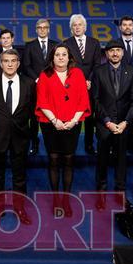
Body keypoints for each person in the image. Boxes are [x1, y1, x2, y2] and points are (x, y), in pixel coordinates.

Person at [35, 43, 90, 216]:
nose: (60, 57)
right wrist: (55, 120)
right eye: (57, 54)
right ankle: (56, 199)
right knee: (53, 159)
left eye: (63, 54)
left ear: (69, 57)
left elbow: (83, 99)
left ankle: (66, 199)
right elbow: (42, 101)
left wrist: (74, 121)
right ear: (52, 58)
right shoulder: (45, 75)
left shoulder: (78, 74)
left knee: (68, 160)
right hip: (50, 124)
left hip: (72, 124)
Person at [0, 49, 35, 225]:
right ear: (1, 63)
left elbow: (30, 110)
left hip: (20, 136)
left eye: (13, 61)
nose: (10, 64)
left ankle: (20, 208)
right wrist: (2, 125)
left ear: (18, 63)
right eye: (6, 61)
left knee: (19, 176)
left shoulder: (29, 84)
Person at [91, 40, 133, 203]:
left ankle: (120, 192)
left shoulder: (131, 72)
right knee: (102, 160)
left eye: (118, 50)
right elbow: (95, 100)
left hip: (124, 126)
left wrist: (125, 122)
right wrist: (107, 121)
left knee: (121, 160)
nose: (115, 53)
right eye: (111, 51)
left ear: (123, 53)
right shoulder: (98, 72)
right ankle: (101, 192)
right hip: (105, 125)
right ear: (106, 54)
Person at [63, 14, 101, 155]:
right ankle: (71, 144)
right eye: (74, 25)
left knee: (90, 117)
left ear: (85, 27)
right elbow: (68, 65)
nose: (77, 27)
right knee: (74, 117)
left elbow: (97, 64)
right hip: (74, 86)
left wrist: (90, 80)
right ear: (71, 28)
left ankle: (89, 144)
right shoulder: (66, 43)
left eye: (80, 25)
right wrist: (80, 81)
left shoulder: (95, 42)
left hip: (91, 85)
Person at [22, 18, 58, 155]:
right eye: (40, 27)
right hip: (34, 86)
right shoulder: (29, 45)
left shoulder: (56, 45)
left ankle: (52, 141)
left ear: (48, 29)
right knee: (34, 117)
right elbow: (26, 65)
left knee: (52, 114)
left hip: (52, 87)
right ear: (36, 30)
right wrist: (38, 79)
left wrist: (48, 80)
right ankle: (34, 142)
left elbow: (57, 65)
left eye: (45, 27)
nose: (42, 30)